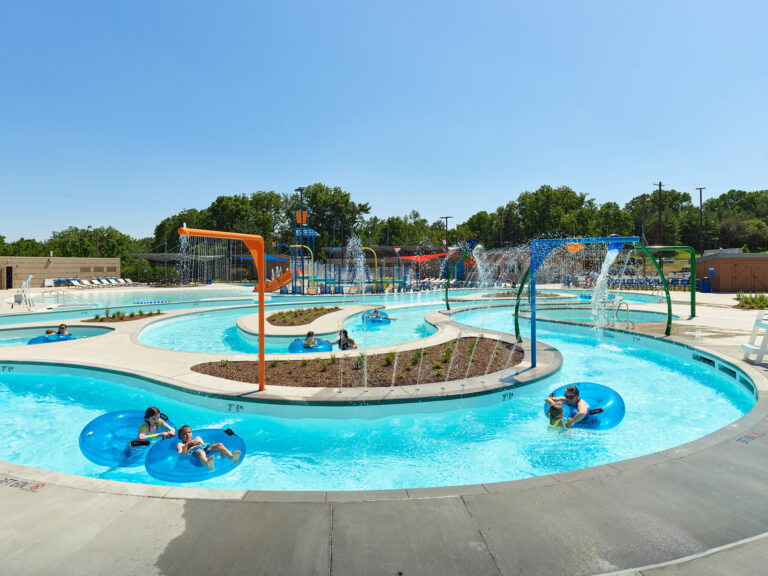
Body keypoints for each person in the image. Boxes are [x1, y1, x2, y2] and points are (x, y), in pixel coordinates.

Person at [176, 425, 241, 471]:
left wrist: (199, 443)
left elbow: (204, 445)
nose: (188, 434)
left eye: (189, 432)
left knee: (219, 445)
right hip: (194, 451)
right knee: (200, 451)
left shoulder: (197, 438)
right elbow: (181, 454)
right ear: (180, 437)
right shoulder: (180, 444)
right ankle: (208, 464)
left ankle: (232, 457)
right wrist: (187, 445)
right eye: (184, 434)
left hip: (205, 447)